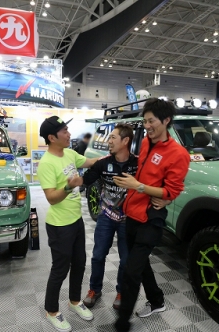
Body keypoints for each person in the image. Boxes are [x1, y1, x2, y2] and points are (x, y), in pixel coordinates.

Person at [112, 98, 190, 332]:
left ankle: (122, 322)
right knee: (141, 264)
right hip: (132, 213)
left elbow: (172, 190)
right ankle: (156, 301)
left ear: (166, 121)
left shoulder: (179, 154)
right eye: (145, 121)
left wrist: (140, 187)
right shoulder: (145, 142)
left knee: (131, 270)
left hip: (151, 218)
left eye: (151, 121)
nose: (147, 125)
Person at [37, 116, 98, 332]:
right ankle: (51, 311)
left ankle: (74, 301)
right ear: (52, 137)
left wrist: (114, 156)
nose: (69, 134)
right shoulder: (46, 164)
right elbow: (52, 198)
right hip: (59, 225)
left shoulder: (70, 154)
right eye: (64, 131)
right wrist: (68, 187)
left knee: (80, 262)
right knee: (60, 269)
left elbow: (89, 162)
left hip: (76, 220)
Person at [82, 124, 136, 310]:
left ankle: (121, 291)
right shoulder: (103, 163)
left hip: (128, 219)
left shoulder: (137, 164)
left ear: (125, 141)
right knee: (98, 255)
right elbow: (84, 181)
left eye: (113, 137)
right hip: (105, 216)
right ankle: (94, 290)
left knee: (126, 259)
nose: (109, 141)